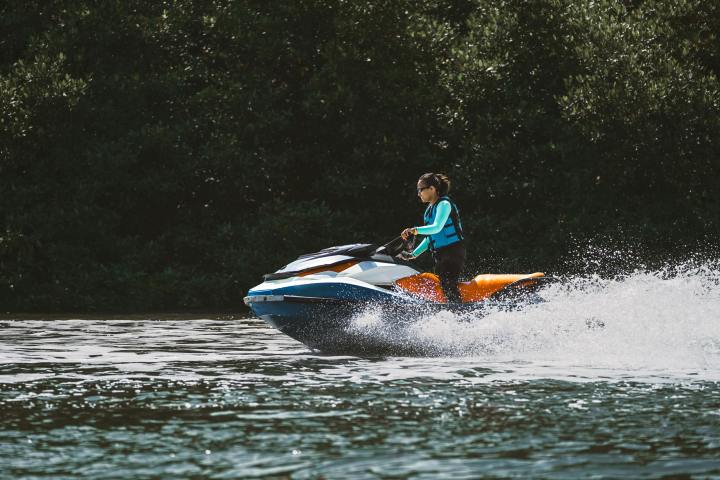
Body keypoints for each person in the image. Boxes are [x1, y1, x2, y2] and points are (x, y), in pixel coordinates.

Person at [400, 173, 466, 303]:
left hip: (453, 251)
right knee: (442, 285)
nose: (418, 193)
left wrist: (415, 230)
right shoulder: (430, 209)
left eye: (420, 189)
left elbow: (437, 227)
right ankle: (451, 308)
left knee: (447, 285)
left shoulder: (444, 204)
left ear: (432, 188)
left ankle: (458, 311)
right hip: (440, 254)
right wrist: (413, 254)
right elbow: (431, 237)